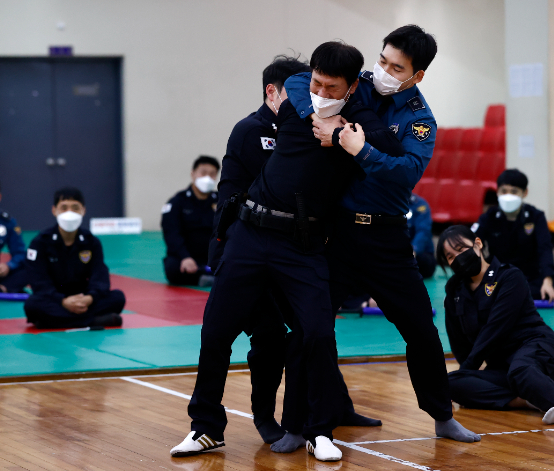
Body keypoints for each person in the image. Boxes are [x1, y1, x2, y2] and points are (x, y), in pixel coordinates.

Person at [170, 41, 404, 462]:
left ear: (351, 89)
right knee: (216, 332)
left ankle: (319, 431)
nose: (320, 92)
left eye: (332, 88)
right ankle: (206, 428)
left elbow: (390, 146)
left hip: (301, 243)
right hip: (250, 232)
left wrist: (343, 138)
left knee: (316, 333)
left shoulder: (358, 121)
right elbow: (296, 82)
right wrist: (219, 244)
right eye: (317, 82)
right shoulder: (297, 97)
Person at [284, 25, 480, 443]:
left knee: (421, 330)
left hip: (387, 238)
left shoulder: (419, 119)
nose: (385, 71)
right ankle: (299, 424)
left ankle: (442, 415)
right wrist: (318, 115)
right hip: (336, 233)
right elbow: (300, 81)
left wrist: (358, 148)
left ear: (417, 76)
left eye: (398, 67)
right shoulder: (361, 87)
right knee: (309, 329)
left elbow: (406, 172)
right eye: (383, 60)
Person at [207, 55, 311, 445]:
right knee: (244, 334)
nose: (305, 99)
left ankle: (287, 414)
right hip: (242, 248)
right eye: (297, 91)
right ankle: (214, 424)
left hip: (283, 253)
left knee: (292, 336)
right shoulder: (252, 131)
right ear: (273, 92)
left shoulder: (299, 130)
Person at [436, 225, 554, 424]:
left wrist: (468, 369)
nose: (457, 257)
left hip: (539, 351)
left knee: (521, 369)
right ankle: (528, 400)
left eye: (461, 249)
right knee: (450, 382)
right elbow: (459, 342)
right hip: (503, 369)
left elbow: (495, 329)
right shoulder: (454, 291)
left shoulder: (509, 277)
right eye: (450, 256)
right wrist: (466, 376)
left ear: (478, 244)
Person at [23, 187, 126, 329]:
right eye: (64, 208)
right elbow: (38, 281)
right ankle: (93, 321)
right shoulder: (41, 242)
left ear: (84, 210)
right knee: (32, 306)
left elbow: (100, 276)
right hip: (55, 299)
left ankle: (53, 322)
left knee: (118, 298)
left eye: (75, 208)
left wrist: (90, 298)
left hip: (84, 299)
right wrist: (63, 301)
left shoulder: (91, 242)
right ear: (54, 211)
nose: (69, 213)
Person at [472, 169, 554, 304]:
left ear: (524, 193)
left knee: (552, 289)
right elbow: (473, 245)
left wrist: (547, 281)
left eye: (514, 192)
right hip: (497, 274)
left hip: (528, 276)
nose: (508, 196)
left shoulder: (536, 216)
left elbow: (545, 249)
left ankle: (502, 295)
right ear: (497, 192)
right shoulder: (489, 217)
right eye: (504, 191)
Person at [162, 156, 220, 286]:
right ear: (193, 174)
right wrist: (185, 257)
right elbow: (171, 233)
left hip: (213, 256)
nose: (207, 177)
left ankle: (211, 274)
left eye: (212, 174)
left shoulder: (221, 201)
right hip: (188, 256)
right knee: (172, 268)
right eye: (203, 173)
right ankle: (204, 278)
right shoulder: (177, 202)